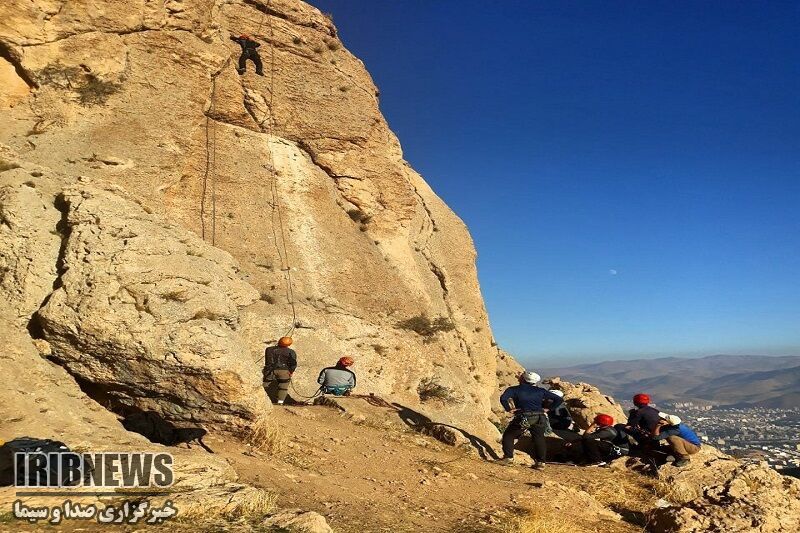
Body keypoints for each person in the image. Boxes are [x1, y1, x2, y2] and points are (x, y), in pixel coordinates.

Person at [498, 370, 564, 470]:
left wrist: (509, 409)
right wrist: (548, 409)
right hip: (539, 417)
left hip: (523, 417)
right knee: (539, 438)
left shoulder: (514, 389)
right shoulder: (540, 391)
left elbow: (503, 398)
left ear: (523, 379)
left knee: (509, 435)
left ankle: (508, 458)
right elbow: (559, 399)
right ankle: (541, 463)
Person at [263, 337, 297, 405]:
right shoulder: (291, 352)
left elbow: (267, 361)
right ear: (289, 344)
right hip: (284, 371)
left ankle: (262, 399)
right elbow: (293, 363)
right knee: (283, 387)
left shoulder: (269, 349)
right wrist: (291, 371)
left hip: (270, 370)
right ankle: (280, 402)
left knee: (265, 385)